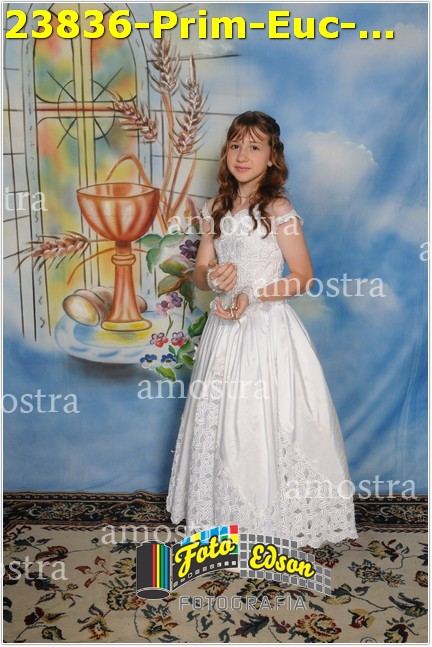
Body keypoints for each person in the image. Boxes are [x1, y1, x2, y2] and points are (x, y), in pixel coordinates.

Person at [166, 111, 359, 549]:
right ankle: (223, 514)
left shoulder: (279, 210)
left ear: (272, 156)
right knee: (223, 421)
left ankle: (274, 516)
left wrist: (252, 295)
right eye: (236, 145)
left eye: (254, 147)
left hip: (268, 329)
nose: (242, 155)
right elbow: (200, 273)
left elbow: (303, 276)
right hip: (225, 329)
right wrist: (214, 279)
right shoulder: (215, 208)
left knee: (264, 420)